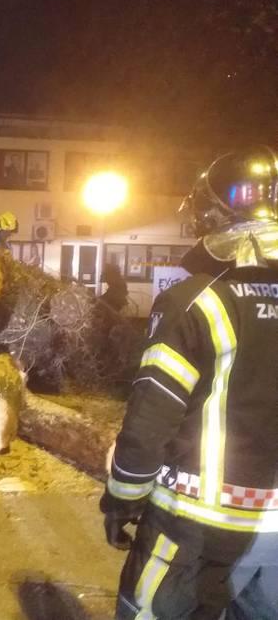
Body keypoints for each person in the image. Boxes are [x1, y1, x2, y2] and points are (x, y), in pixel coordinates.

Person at [100, 145, 278, 619]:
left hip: (196, 529)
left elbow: (149, 421)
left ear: (213, 213)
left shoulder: (193, 301)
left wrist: (122, 500)